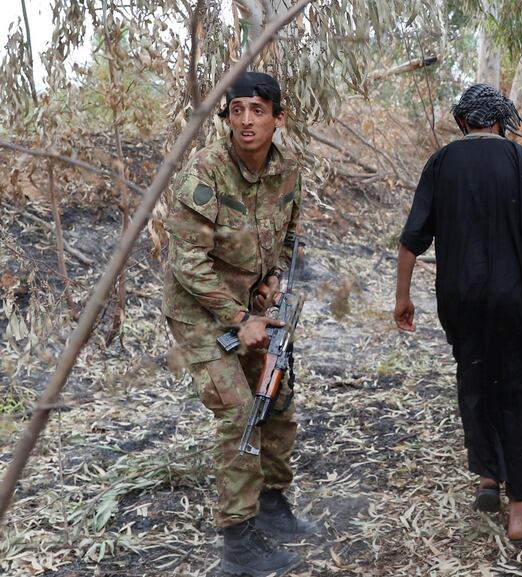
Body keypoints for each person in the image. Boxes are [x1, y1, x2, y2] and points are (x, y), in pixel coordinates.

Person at [394, 84, 522, 546]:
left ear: (464, 122)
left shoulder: (441, 164)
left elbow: (412, 239)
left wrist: (402, 297)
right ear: (500, 121)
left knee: (474, 380)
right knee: (515, 387)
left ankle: (489, 478)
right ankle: (518, 515)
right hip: (512, 302)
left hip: (460, 302)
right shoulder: (521, 162)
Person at [163, 71, 315, 577]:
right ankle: (237, 542)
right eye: (237, 110)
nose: (246, 121)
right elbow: (186, 261)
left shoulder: (288, 169)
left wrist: (272, 280)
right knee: (239, 413)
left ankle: (272, 507)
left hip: (253, 307)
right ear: (226, 117)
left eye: (257, 110)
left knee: (277, 401)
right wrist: (237, 317)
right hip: (200, 314)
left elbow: (290, 235)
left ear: (278, 117)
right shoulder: (207, 170)